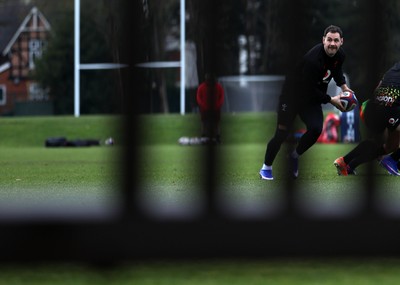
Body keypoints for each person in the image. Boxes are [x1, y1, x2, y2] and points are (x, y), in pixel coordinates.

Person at [259, 25, 350, 180]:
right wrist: (332, 100)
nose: (332, 44)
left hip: (311, 99)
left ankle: (294, 156)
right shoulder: (313, 60)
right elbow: (309, 89)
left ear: (341, 41)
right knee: (281, 134)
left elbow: (336, 70)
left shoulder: (340, 55)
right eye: (329, 40)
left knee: (316, 129)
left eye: (336, 40)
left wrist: (344, 87)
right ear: (323, 40)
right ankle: (266, 168)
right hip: (292, 96)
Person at [333, 62, 400, 176]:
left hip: (371, 107)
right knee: (389, 146)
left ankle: (346, 162)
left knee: (379, 143)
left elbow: (379, 86)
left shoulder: (395, 67)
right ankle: (392, 160)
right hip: (391, 108)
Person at [196, 73, 224, 144]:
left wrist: (218, 105)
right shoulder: (202, 87)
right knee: (204, 123)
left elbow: (221, 97)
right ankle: (204, 136)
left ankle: (217, 136)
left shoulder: (218, 87)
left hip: (215, 109)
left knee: (216, 123)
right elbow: (199, 97)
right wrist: (203, 105)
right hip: (205, 109)